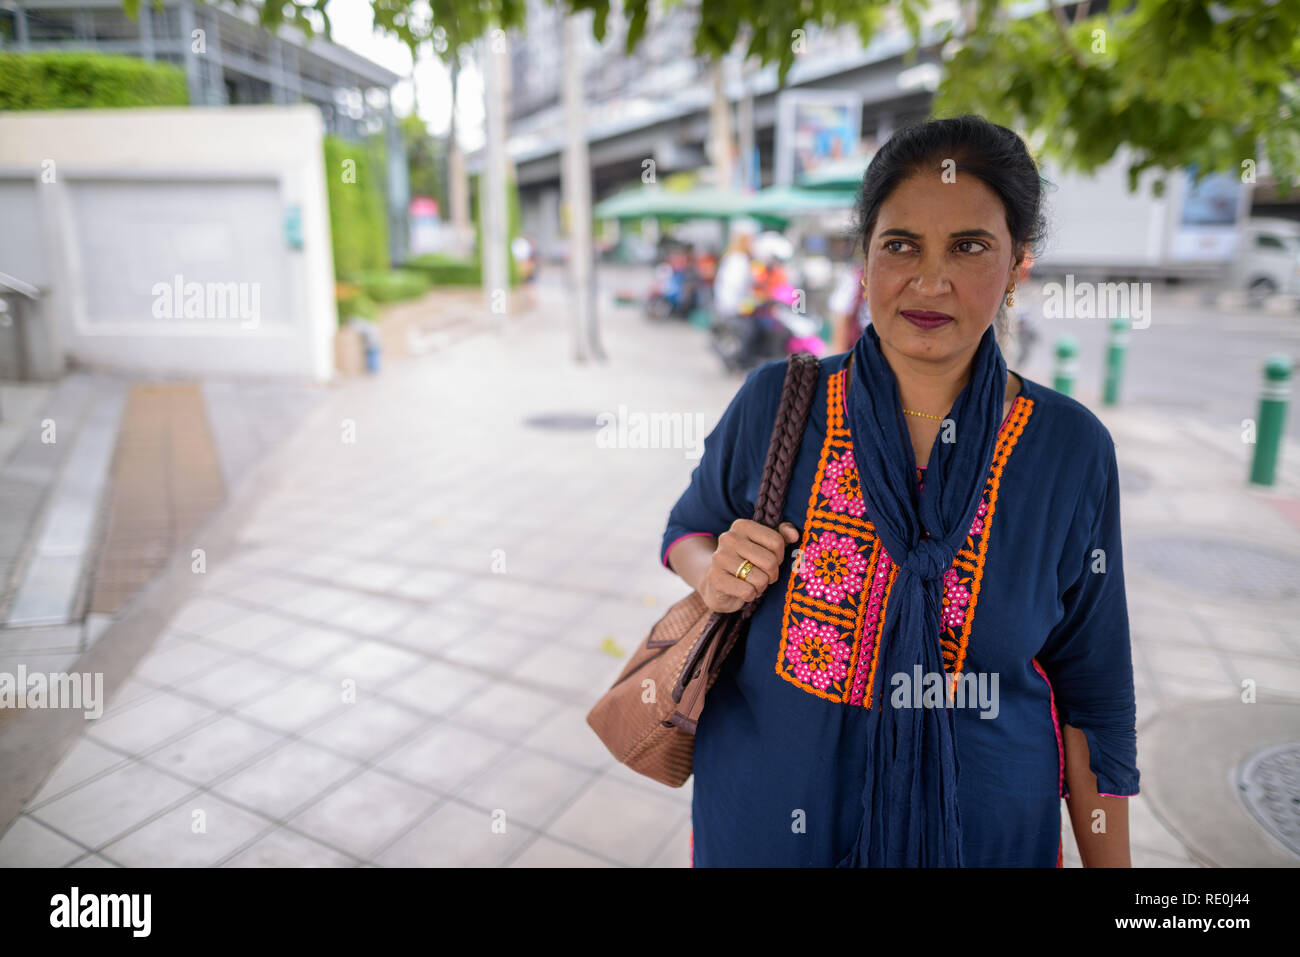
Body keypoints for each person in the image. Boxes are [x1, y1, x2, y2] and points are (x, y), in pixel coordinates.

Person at [661, 115, 1139, 867]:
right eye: (901, 244)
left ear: (1018, 266)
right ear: (865, 258)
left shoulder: (1069, 450)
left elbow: (1094, 693)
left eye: (970, 247)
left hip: (984, 838)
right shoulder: (776, 404)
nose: (930, 280)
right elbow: (688, 530)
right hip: (766, 828)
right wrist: (715, 570)